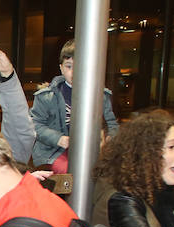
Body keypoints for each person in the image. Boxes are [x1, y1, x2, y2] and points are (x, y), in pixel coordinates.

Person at [30, 39, 119, 171]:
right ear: (61, 68)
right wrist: (58, 139)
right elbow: (35, 125)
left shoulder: (101, 96)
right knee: (73, 172)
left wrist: (109, 139)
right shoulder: (47, 96)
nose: (74, 72)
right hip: (54, 151)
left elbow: (112, 124)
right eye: (69, 66)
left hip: (92, 150)